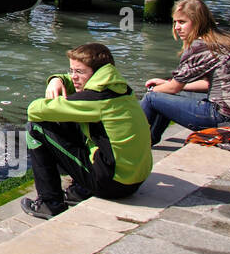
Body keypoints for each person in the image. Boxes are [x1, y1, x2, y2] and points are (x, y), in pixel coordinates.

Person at [21, 43, 153, 219]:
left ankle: (49, 203)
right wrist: (57, 79)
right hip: (133, 179)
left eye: (79, 72)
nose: (73, 77)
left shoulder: (95, 100)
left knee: (36, 127)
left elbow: (34, 110)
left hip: (113, 185)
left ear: (97, 73)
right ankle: (81, 190)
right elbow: (79, 88)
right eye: (71, 71)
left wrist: (54, 94)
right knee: (78, 121)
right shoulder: (119, 89)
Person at [141, 0, 230, 144]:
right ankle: (148, 140)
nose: (177, 27)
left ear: (197, 21)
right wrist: (168, 84)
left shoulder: (199, 46)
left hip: (223, 118)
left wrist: (158, 88)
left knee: (152, 97)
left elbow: (174, 88)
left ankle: (135, 145)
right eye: (175, 22)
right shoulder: (225, 40)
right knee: (164, 93)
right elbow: (209, 84)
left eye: (182, 22)